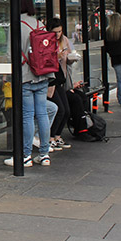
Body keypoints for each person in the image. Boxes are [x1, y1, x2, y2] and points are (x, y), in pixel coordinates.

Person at [6, 0, 53, 168]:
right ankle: (45, 154)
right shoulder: (40, 23)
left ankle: (25, 155)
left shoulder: (16, 25)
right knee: (42, 114)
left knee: (27, 116)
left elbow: (11, 55)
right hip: (43, 75)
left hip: (26, 76)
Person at [46, 17, 73, 150]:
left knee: (66, 110)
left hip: (61, 78)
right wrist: (56, 57)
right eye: (55, 32)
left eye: (60, 31)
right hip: (51, 81)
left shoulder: (64, 40)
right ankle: (50, 137)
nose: (57, 34)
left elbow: (68, 57)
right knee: (59, 109)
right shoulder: (46, 42)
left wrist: (70, 58)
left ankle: (57, 136)